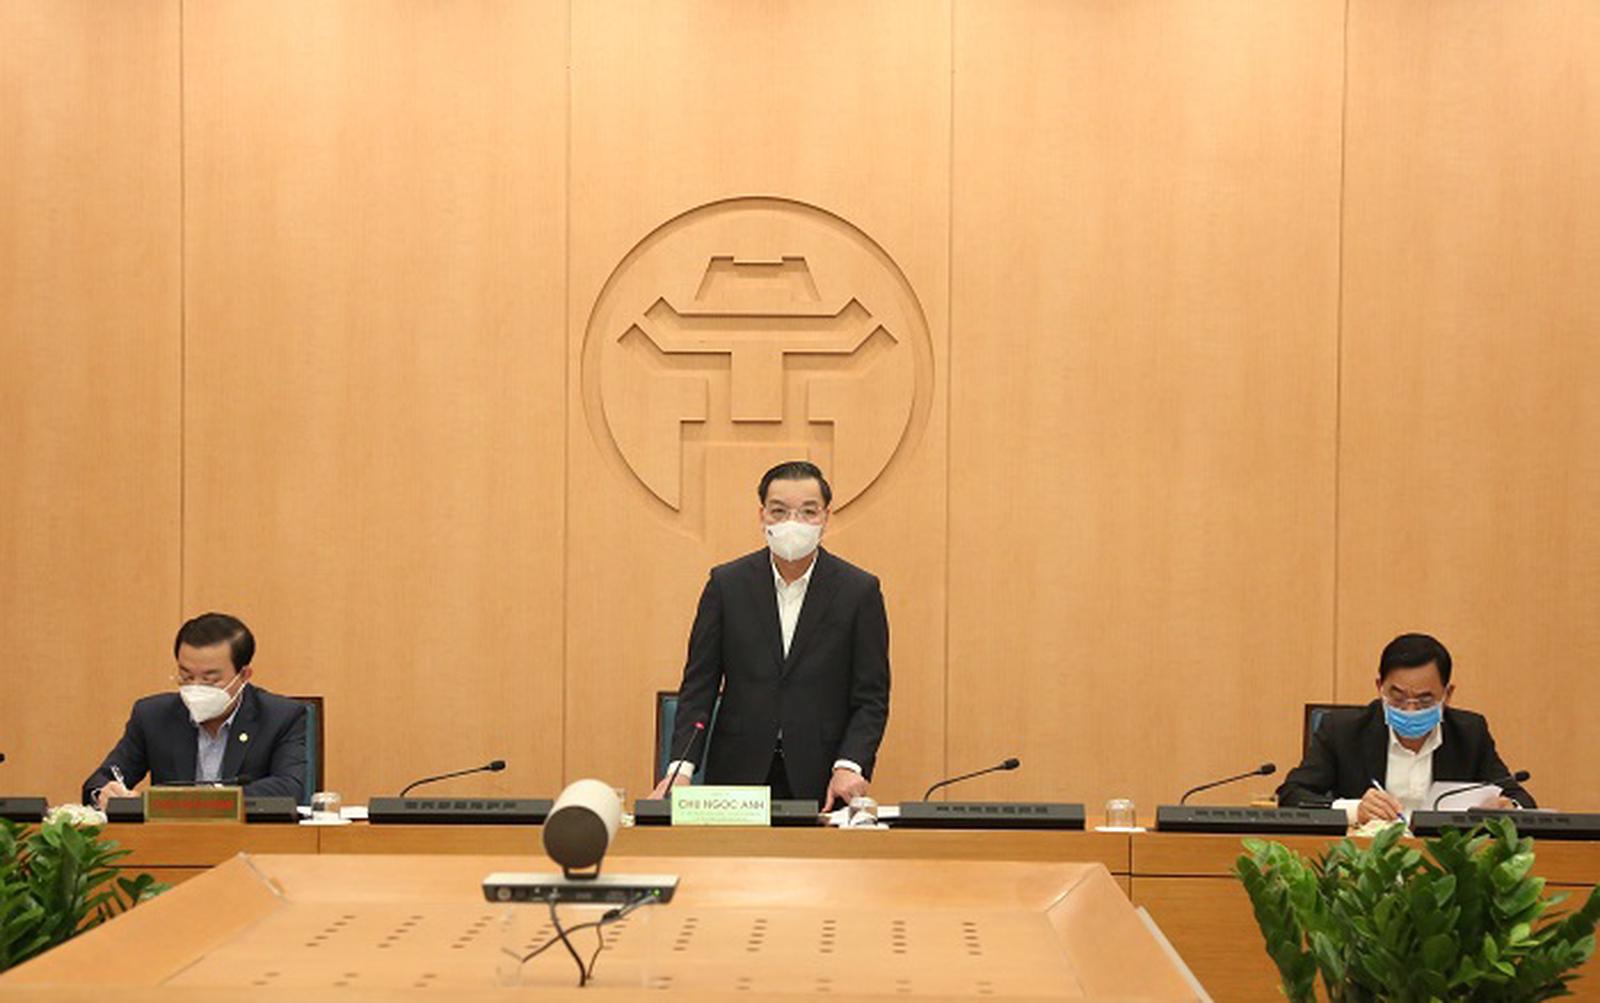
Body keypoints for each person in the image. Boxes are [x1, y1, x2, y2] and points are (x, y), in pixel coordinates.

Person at [650, 461, 890, 809]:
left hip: (824, 776)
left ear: (826, 517)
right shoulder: (727, 585)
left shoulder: (858, 591)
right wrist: (679, 771)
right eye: (779, 511)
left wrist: (850, 764)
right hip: (737, 773)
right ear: (762, 516)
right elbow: (699, 686)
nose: (793, 522)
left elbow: (871, 697)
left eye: (808, 512)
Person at [1277, 632, 1534, 823]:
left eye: (1424, 700)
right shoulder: (1343, 731)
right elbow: (1292, 795)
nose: (1410, 710)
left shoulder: (1469, 733)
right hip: (1366, 863)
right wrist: (1355, 810)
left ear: (1447, 694)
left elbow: (1520, 799)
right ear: (1379, 687)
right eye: (1397, 697)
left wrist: (1508, 807)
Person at [83, 613, 309, 806]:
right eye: (186, 676)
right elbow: (99, 781)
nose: (196, 687)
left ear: (244, 675)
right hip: (171, 840)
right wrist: (104, 793)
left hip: (251, 839)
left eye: (210, 679)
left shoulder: (281, 717)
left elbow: (290, 788)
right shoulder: (152, 716)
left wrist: (209, 799)